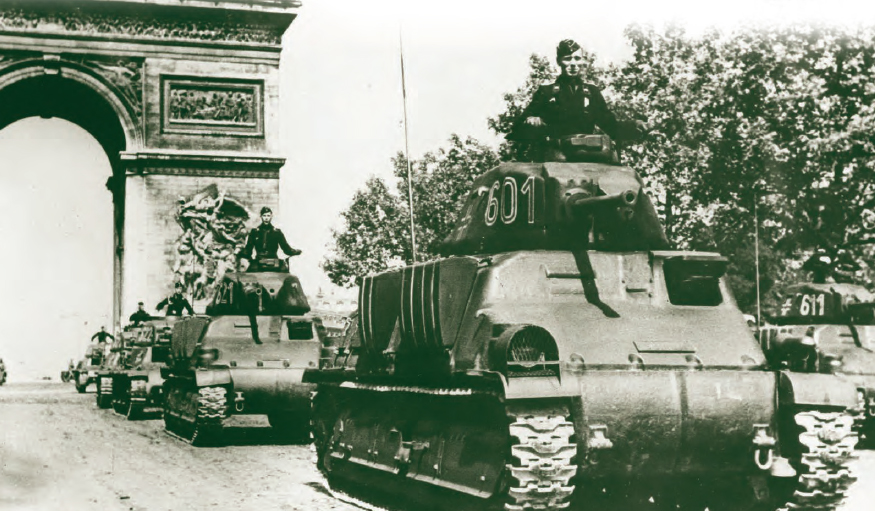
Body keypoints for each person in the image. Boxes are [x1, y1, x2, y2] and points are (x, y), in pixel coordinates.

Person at [508, 39, 647, 161]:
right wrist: (532, 121)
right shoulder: (547, 93)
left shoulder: (591, 93)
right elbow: (517, 129)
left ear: (583, 61)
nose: (573, 64)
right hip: (556, 158)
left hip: (587, 157)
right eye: (567, 59)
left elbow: (610, 126)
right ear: (559, 61)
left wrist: (634, 125)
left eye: (577, 58)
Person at [238, 207, 301, 271]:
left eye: (268, 216)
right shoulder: (255, 232)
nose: (266, 218)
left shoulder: (277, 232)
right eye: (264, 215)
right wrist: (241, 253)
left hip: (274, 261)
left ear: (271, 216)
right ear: (261, 216)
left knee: (285, 273)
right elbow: (248, 249)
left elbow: (286, 249)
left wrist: (295, 252)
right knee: (250, 274)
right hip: (259, 261)